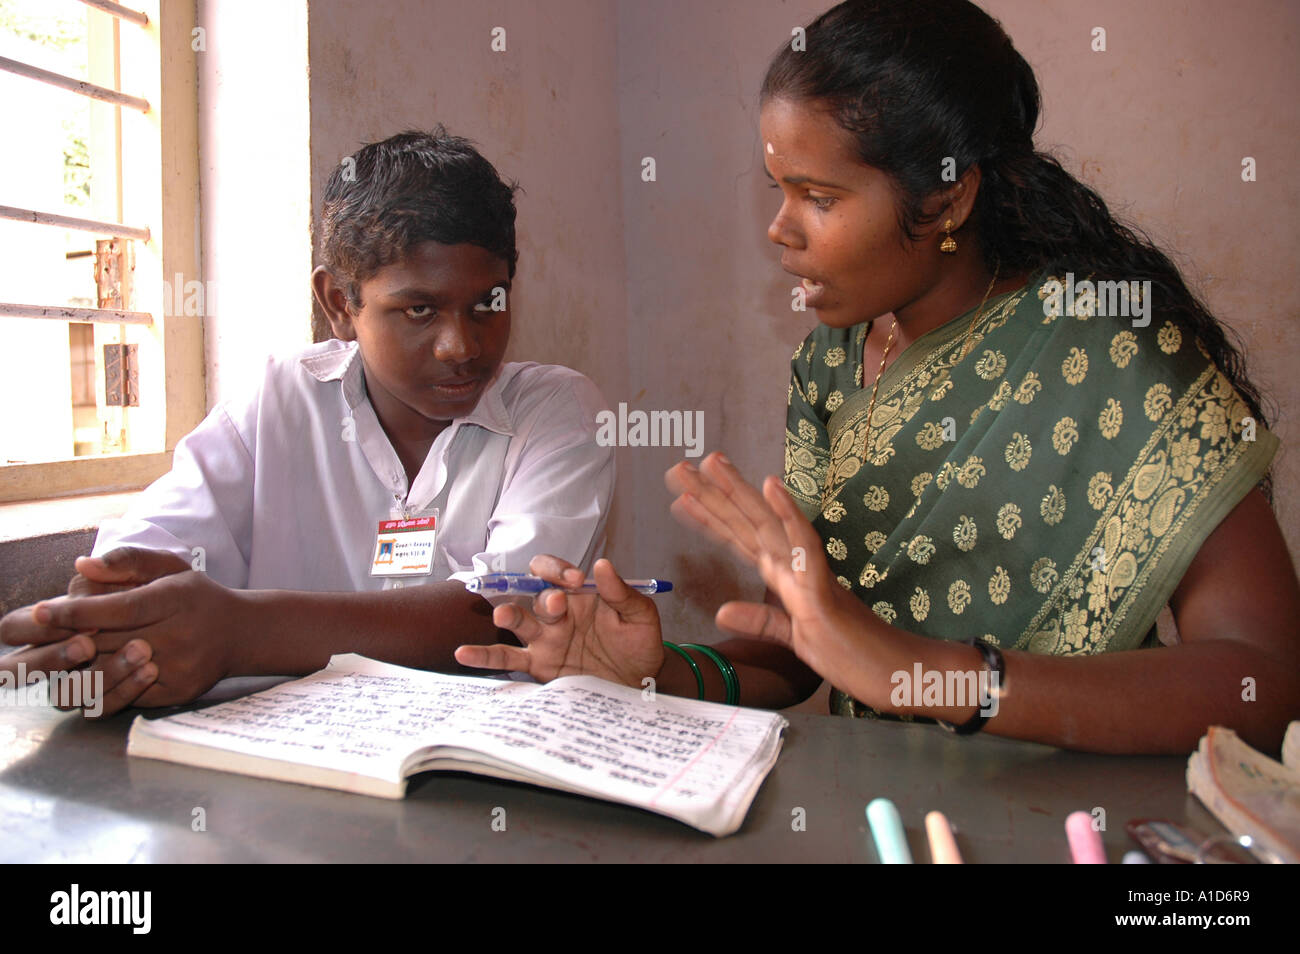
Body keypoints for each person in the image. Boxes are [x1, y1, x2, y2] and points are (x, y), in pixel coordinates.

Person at [454, 0, 1300, 755]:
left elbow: (1262, 685)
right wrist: (655, 673)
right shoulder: (831, 362)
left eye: (818, 196)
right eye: (779, 190)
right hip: (885, 808)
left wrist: (923, 676)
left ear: (948, 200)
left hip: (1077, 813)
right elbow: (809, 645)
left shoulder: (1114, 359)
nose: (781, 232)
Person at [0, 128, 615, 716]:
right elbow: (155, 544)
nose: (460, 345)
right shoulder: (280, 401)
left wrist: (238, 632)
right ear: (339, 305)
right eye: (419, 309)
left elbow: (502, 614)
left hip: (478, 782)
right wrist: (118, 614)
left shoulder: (557, 413)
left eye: (488, 303)